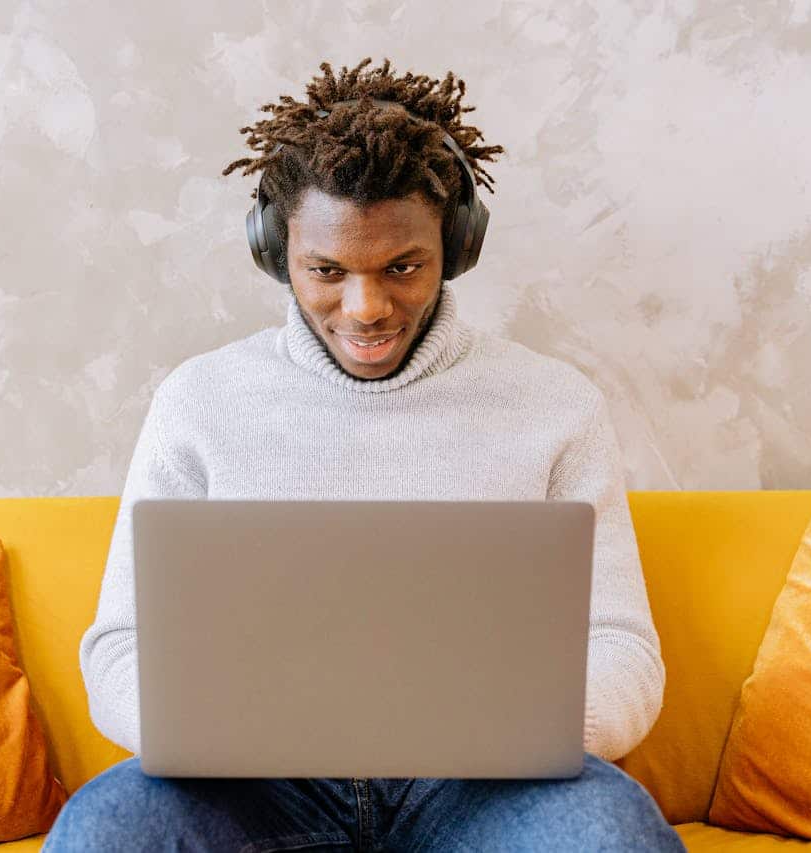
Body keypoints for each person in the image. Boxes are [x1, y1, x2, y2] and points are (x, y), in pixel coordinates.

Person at [45, 57, 685, 852]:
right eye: (326, 271)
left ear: (456, 246)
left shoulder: (553, 404)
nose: (366, 307)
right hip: (256, 787)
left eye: (401, 267)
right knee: (107, 829)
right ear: (275, 251)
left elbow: (622, 647)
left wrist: (500, 725)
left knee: (607, 832)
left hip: (484, 787)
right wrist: (219, 727)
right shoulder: (199, 401)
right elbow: (118, 644)